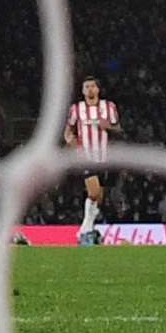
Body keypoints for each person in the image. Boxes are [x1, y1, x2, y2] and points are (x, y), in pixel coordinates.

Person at [63, 77, 119, 245]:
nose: (89, 89)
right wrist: (75, 146)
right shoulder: (76, 109)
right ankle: (85, 229)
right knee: (93, 193)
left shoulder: (109, 107)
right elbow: (67, 132)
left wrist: (107, 126)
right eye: (86, 87)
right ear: (82, 91)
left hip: (104, 158)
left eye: (92, 86)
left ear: (98, 89)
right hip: (86, 157)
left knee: (99, 196)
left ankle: (88, 228)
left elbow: (118, 129)